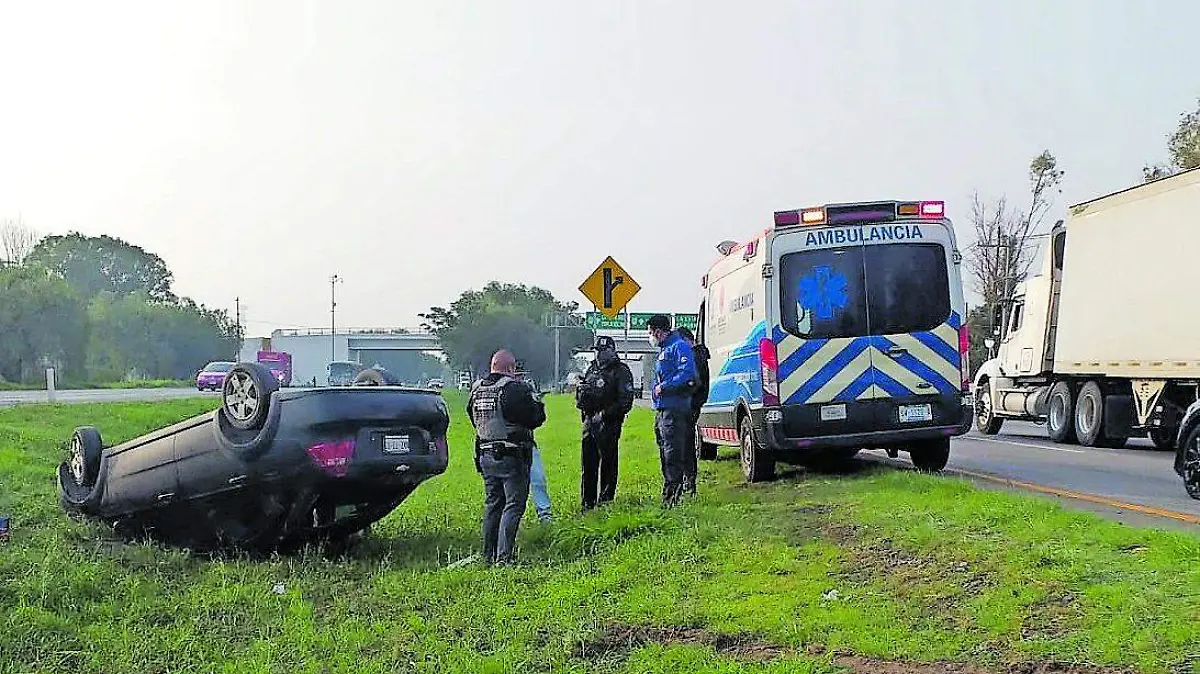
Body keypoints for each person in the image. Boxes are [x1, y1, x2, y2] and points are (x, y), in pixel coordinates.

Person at [466, 350, 546, 565]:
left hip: (485, 453)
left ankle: (487, 554)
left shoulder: (476, 390)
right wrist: (537, 402)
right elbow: (536, 418)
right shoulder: (514, 389)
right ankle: (504, 558)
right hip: (512, 454)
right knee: (513, 504)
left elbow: (473, 418)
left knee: (493, 504)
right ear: (511, 368)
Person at [575, 335, 635, 511]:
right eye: (597, 351)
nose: (599, 355)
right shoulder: (592, 369)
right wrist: (582, 394)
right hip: (589, 422)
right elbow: (582, 397)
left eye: (602, 351)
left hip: (608, 423)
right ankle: (588, 503)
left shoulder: (621, 371)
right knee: (588, 465)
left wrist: (605, 414)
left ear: (611, 350)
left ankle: (606, 501)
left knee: (608, 464)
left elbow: (625, 401)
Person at [647, 315, 698, 507]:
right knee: (664, 451)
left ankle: (672, 497)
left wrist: (665, 386)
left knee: (673, 454)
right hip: (662, 410)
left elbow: (687, 374)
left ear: (658, 331)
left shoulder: (678, 346)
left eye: (651, 332)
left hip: (674, 409)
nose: (650, 336)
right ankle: (668, 492)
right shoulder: (664, 349)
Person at [514, 362, 553, 524]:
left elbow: (536, 420)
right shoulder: (501, 391)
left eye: (522, 375)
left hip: (527, 443)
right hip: (508, 446)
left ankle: (545, 515)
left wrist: (537, 403)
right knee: (512, 487)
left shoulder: (526, 391)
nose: (520, 378)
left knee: (538, 479)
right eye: (517, 374)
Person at [676, 326, 710, 495]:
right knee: (685, 444)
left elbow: (694, 383)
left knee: (685, 445)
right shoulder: (698, 355)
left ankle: (688, 482)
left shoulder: (694, 356)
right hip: (692, 405)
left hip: (688, 406)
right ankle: (687, 481)